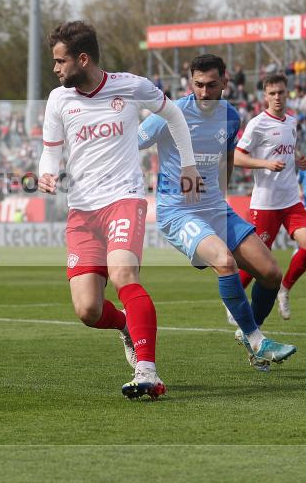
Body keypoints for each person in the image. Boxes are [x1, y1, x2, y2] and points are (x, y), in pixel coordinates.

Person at [38, 21, 201, 400]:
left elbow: (174, 114)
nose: (56, 68)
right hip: (82, 211)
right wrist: (47, 173)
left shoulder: (131, 86)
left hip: (124, 199)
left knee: (123, 273)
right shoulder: (58, 99)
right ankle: (127, 326)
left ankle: (147, 371)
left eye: (60, 61)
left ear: (82, 59)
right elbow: (50, 150)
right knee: (88, 310)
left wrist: (189, 164)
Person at [139, 54, 296, 372]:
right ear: (190, 82)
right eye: (198, 85)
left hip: (215, 208)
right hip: (177, 212)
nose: (204, 92)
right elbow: (130, 145)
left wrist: (219, 194)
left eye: (211, 85)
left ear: (225, 81)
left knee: (271, 274)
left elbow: (228, 157)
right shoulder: (170, 113)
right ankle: (257, 341)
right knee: (224, 262)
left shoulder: (231, 116)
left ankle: (249, 335)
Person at [234, 73, 306, 321]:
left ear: (287, 93)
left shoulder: (291, 122)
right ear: (265, 96)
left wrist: (298, 159)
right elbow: (236, 157)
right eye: (272, 93)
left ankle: (284, 290)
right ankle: (234, 300)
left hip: (291, 200)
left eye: (281, 92)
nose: (277, 97)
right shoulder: (257, 124)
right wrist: (265, 164)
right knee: (256, 263)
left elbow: (288, 149)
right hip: (265, 203)